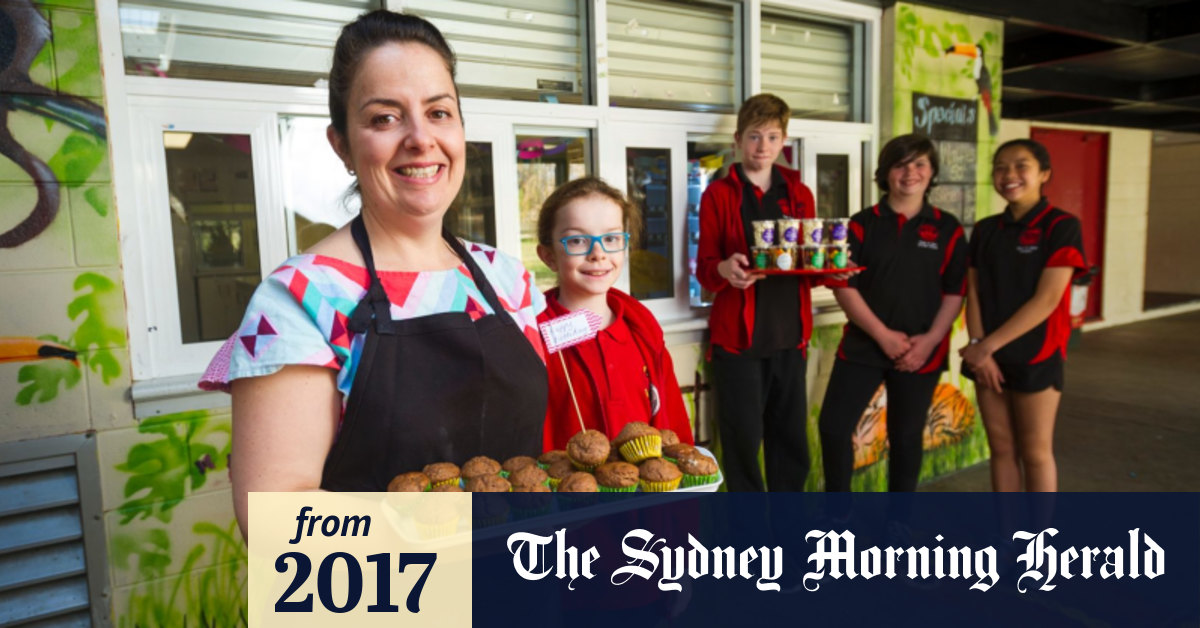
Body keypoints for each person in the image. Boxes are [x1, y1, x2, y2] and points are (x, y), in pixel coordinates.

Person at [199, 11, 548, 536]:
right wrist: (456, 537)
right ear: (341, 144)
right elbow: (273, 523)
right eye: (385, 118)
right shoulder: (300, 298)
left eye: (439, 112)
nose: (419, 139)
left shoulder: (508, 281)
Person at [695, 93, 852, 492]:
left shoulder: (798, 193)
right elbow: (704, 268)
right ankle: (750, 542)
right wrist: (724, 270)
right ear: (737, 140)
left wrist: (831, 268)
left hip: (789, 336)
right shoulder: (719, 193)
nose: (762, 147)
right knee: (742, 443)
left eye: (771, 137)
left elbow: (809, 266)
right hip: (737, 340)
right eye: (753, 136)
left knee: (791, 443)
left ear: (784, 142)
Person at [817, 134, 967, 492]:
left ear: (932, 173)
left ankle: (898, 523)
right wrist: (882, 335)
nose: (910, 172)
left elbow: (955, 292)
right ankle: (838, 518)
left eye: (919, 164)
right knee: (834, 428)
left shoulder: (948, 229)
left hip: (920, 351)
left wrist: (929, 342)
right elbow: (843, 284)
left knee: (906, 435)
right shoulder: (861, 224)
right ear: (885, 173)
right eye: (900, 164)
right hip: (863, 346)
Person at [960, 139, 1087, 492]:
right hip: (987, 355)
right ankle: (1007, 538)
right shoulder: (986, 230)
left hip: (1037, 353)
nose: (1009, 174)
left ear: (1044, 173)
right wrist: (977, 344)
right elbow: (973, 291)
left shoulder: (1062, 226)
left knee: (1035, 453)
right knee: (1001, 450)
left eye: (1021, 166)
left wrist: (986, 347)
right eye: (1000, 167)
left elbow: (1047, 300)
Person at [536, 176, 695, 450]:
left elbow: (673, 420)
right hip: (565, 490)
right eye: (576, 240)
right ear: (548, 256)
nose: (597, 253)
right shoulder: (532, 336)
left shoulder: (643, 330)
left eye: (610, 238)